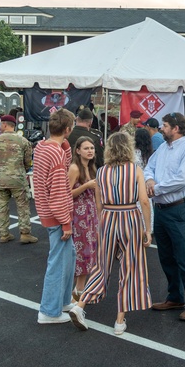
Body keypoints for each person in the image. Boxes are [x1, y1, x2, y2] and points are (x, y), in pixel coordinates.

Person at [68, 132, 153, 336]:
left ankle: (80, 306)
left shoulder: (102, 172)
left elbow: (98, 204)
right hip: (130, 217)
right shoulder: (135, 170)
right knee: (130, 268)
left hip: (107, 218)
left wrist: (100, 226)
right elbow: (143, 201)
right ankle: (119, 320)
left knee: (100, 266)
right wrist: (147, 229)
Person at [144, 112, 185, 321]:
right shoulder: (162, 148)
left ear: (176, 128)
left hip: (178, 209)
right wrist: (150, 181)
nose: (162, 128)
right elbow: (148, 166)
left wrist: (156, 188)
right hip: (161, 209)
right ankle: (175, 296)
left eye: (165, 125)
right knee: (166, 256)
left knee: (184, 257)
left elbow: (183, 179)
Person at [33, 109, 78, 325]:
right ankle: (49, 312)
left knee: (68, 257)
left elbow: (63, 161)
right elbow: (59, 191)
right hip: (57, 215)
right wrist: (66, 222)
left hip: (48, 211)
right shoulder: (56, 154)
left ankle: (61, 302)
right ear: (68, 129)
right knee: (58, 262)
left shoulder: (42, 147)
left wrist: (65, 144)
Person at [0, 114, 37, 244]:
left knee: (2, 207)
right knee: (23, 206)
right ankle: (25, 233)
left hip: (1, 180)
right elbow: (28, 162)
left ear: (4, 125)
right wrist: (22, 171)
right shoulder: (23, 141)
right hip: (18, 179)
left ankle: (4, 234)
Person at [69, 137, 99, 299]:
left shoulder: (92, 168)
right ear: (78, 150)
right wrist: (86, 186)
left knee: (89, 253)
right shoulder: (74, 168)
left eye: (92, 148)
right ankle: (73, 291)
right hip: (78, 215)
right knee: (79, 253)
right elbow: (67, 194)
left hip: (90, 214)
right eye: (86, 148)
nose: (90, 151)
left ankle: (79, 289)